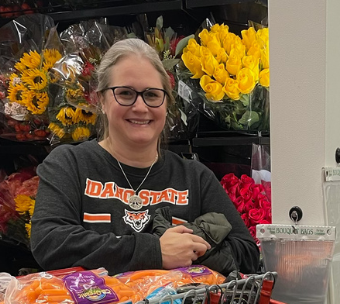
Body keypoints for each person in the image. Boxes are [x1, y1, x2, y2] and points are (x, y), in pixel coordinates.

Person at [31, 38, 260, 276]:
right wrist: (155, 252)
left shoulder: (195, 177)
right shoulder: (70, 165)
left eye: (151, 95)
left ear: (166, 103)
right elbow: (50, 242)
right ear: (101, 101)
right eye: (126, 93)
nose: (140, 107)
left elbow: (247, 255)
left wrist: (192, 247)